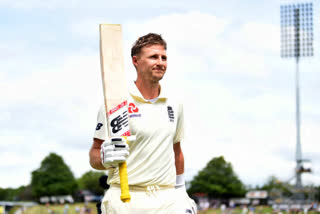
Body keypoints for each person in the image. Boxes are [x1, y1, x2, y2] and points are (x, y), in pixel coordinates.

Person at [89, 33, 196, 213]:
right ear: (136, 61)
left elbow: (177, 151)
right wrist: (105, 159)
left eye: (164, 58)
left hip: (167, 199)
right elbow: (94, 154)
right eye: (153, 57)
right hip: (126, 199)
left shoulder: (174, 103)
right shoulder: (116, 102)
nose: (160, 62)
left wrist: (181, 190)